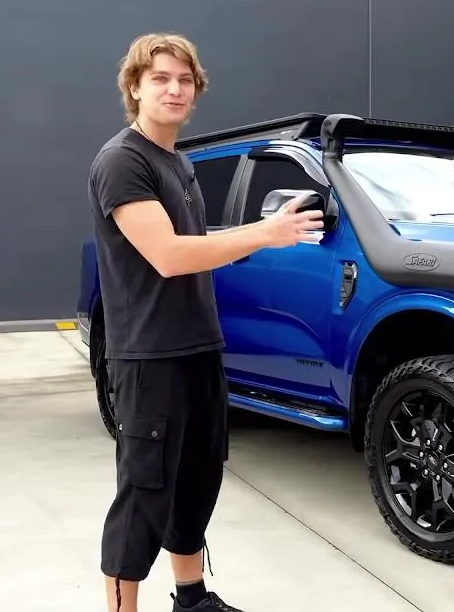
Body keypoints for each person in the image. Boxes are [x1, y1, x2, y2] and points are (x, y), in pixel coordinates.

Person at [88, 32, 324, 612]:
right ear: (135, 87)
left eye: (185, 80)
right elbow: (169, 255)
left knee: (197, 479)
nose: (174, 89)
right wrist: (263, 234)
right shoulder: (122, 161)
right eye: (160, 79)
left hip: (197, 347)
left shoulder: (179, 163)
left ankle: (191, 599)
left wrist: (258, 239)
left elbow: (200, 245)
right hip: (150, 355)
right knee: (144, 494)